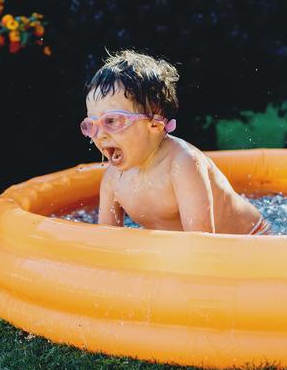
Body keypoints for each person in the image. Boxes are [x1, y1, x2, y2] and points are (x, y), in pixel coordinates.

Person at [81, 50, 271, 234]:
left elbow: (201, 244)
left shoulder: (182, 164)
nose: (100, 135)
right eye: (91, 125)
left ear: (155, 124)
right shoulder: (113, 180)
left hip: (250, 240)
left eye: (112, 121)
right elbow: (106, 242)